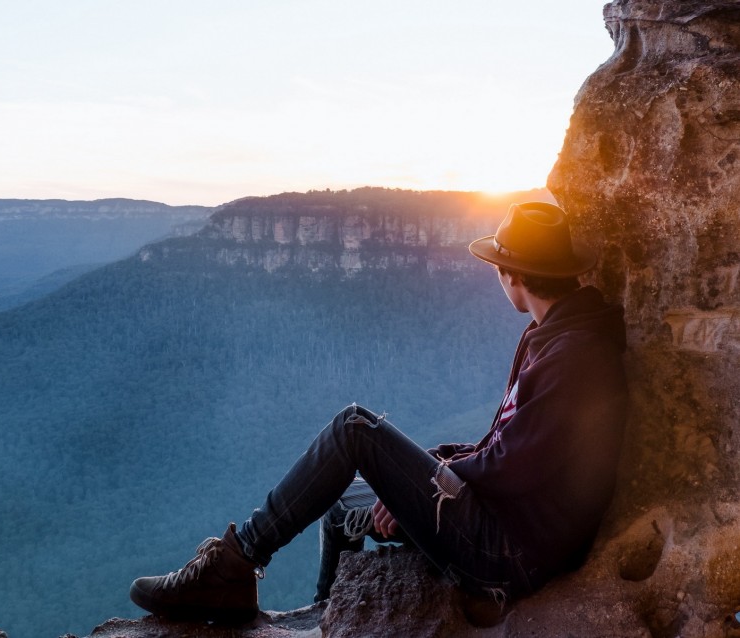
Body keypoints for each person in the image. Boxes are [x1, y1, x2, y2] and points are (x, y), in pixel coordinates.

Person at [129, 202, 628, 623]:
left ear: (512, 274)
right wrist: (431, 467)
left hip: (505, 553)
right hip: (506, 527)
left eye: (498, 266)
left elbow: (516, 465)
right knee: (341, 503)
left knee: (355, 429)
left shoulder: (572, 354)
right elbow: (513, 444)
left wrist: (439, 479)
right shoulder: (562, 334)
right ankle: (328, 615)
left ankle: (232, 566)